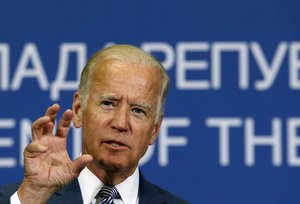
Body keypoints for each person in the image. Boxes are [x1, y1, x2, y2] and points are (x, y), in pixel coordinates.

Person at [0, 44, 188, 204]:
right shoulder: (18, 199)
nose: (121, 123)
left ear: (155, 129)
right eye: (108, 104)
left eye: (138, 110)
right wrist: (33, 197)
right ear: (78, 110)